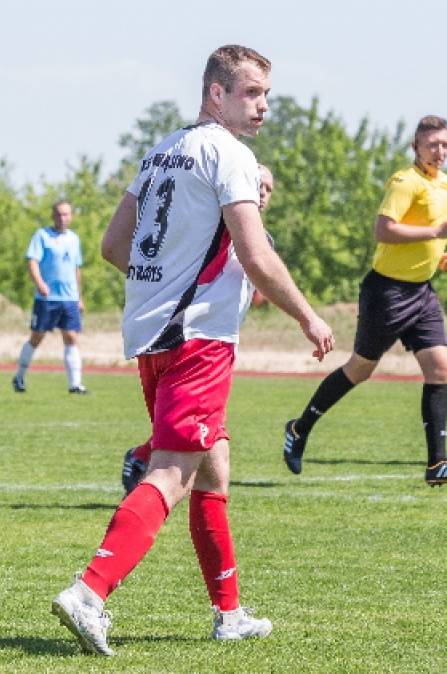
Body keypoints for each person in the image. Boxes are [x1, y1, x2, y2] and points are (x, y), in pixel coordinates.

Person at [51, 46, 334, 657]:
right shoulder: (231, 154)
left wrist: (165, 285)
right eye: (252, 92)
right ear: (216, 93)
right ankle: (90, 591)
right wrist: (309, 316)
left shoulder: (161, 152)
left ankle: (229, 614)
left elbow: (113, 245)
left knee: (213, 464)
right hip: (198, 339)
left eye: (266, 95)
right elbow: (256, 255)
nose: (263, 106)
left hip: (150, 334)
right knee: (173, 473)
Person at [281, 115, 447, 487]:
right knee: (360, 369)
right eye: (432, 145)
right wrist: (436, 231)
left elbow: (428, 237)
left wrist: (438, 257)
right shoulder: (405, 182)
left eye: (445, 145)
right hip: (386, 292)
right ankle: (299, 427)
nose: (439, 151)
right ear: (416, 147)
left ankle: (437, 464)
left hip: (422, 292)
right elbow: (383, 230)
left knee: (440, 368)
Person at [120, 163, 276, 497]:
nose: (262, 193)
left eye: (268, 189)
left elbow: (260, 295)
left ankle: (143, 458)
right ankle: (143, 462)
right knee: (199, 428)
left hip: (222, 339)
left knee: (205, 429)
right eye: (258, 184)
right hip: (195, 338)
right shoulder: (207, 228)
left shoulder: (263, 240)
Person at [12, 200, 88, 394]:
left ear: (71, 216)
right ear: (53, 216)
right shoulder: (42, 236)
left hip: (69, 298)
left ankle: (75, 385)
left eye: (66, 214)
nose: (62, 218)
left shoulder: (74, 239)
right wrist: (40, 284)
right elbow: (32, 261)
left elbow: (76, 270)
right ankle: (19, 377)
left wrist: (79, 297)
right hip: (47, 299)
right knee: (37, 337)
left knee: (71, 337)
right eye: (59, 214)